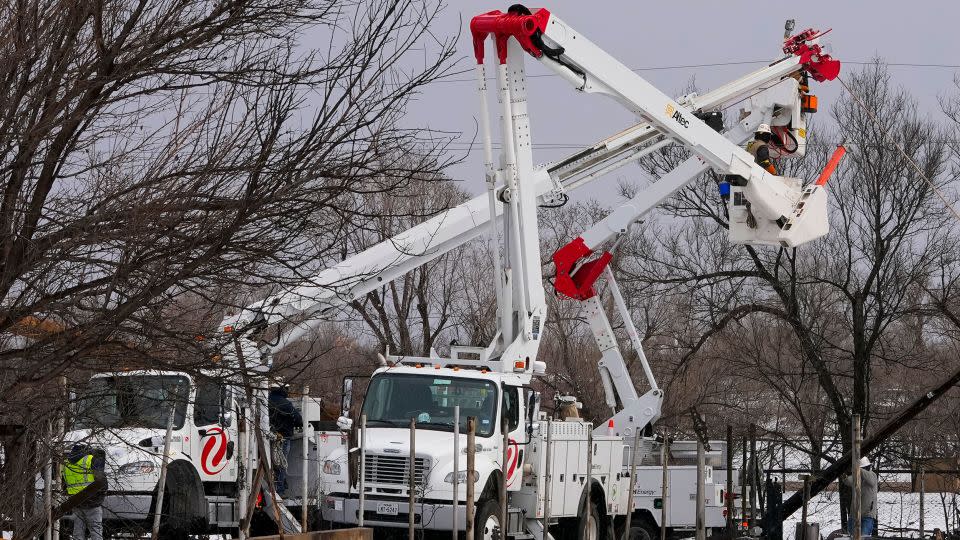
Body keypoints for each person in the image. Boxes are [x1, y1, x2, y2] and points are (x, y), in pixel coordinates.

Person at [63, 444, 107, 540]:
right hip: (92, 501)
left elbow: (63, 485)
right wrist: (102, 495)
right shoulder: (90, 459)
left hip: (76, 502)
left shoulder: (66, 464)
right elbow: (100, 481)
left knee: (77, 531)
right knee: (96, 531)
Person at [268, 385, 303, 493]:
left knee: (271, 462)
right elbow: (298, 419)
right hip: (283, 437)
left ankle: (272, 485)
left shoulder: (266, 401)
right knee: (281, 463)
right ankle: (279, 488)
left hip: (268, 437)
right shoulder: (286, 404)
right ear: (283, 390)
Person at [841, 456, 878, 537]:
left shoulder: (873, 475)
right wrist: (844, 476)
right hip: (854, 514)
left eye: (862, 468)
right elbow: (848, 481)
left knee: (864, 536)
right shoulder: (858, 477)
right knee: (851, 536)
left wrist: (859, 469)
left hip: (867, 515)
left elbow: (871, 481)